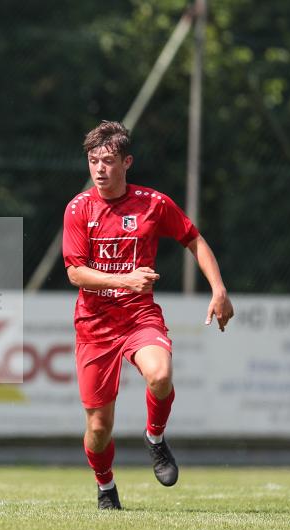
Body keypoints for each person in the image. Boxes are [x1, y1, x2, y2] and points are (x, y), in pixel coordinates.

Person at [62, 121, 233, 510]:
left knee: (160, 374)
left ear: (127, 162)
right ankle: (105, 486)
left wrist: (219, 289)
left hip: (139, 316)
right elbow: (75, 273)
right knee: (98, 428)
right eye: (93, 161)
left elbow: (193, 239)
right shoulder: (78, 208)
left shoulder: (153, 204)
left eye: (108, 161)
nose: (100, 169)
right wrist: (124, 280)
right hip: (94, 326)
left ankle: (155, 437)